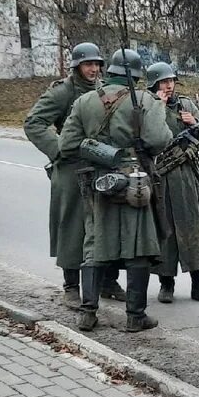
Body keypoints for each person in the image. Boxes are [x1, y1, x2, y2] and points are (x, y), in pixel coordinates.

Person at [57, 48, 173, 332]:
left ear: (109, 72)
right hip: (135, 180)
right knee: (138, 247)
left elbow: (67, 146)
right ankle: (135, 316)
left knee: (94, 244)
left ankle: (88, 313)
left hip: (96, 181)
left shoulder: (84, 101)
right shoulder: (145, 99)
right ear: (136, 75)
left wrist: (100, 151)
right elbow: (160, 139)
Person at [24, 43, 125, 308]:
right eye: (88, 64)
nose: (93, 69)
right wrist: (58, 150)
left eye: (97, 64)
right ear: (76, 66)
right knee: (71, 225)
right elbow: (33, 122)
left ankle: (106, 281)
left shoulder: (104, 89)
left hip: (100, 164)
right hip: (70, 167)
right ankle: (71, 285)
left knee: (106, 224)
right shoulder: (63, 91)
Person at [145, 62, 199, 305]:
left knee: (194, 229)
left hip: (187, 176)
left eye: (171, 81)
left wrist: (193, 123)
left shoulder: (187, 105)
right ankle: (166, 283)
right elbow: (148, 137)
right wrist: (157, 107)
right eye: (163, 82)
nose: (168, 86)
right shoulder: (148, 107)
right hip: (161, 179)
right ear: (154, 85)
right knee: (165, 231)